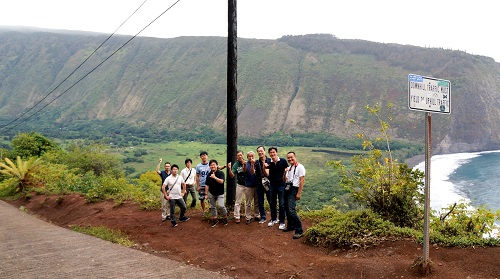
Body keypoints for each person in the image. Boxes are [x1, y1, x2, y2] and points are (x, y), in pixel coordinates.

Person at [283, 151, 305, 239]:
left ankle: (299, 230)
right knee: (287, 208)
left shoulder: (300, 167)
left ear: (295, 157)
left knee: (292, 209)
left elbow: (302, 180)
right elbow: (284, 180)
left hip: (294, 189)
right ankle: (290, 225)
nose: (290, 159)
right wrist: (285, 172)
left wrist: (299, 193)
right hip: (287, 188)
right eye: (288, 158)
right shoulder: (289, 168)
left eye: (291, 157)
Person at [266, 146, 288, 230]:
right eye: (271, 152)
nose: (272, 154)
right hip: (272, 185)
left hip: (281, 185)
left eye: (273, 152)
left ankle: (282, 221)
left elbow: (286, 173)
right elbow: (267, 174)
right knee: (272, 203)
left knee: (282, 204)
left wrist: (285, 174)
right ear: (269, 154)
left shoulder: (283, 161)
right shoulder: (269, 162)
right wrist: (265, 167)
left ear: (276, 152)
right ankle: (273, 219)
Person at [205, 159, 228, 227]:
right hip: (211, 193)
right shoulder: (208, 175)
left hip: (220, 193)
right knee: (213, 207)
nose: (212, 166)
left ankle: (225, 217)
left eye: (214, 165)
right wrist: (206, 194)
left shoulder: (220, 173)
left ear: (217, 166)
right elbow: (207, 185)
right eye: (211, 165)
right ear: (209, 166)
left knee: (221, 206)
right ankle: (215, 219)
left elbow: (221, 181)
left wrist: (214, 177)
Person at [228, 150, 246, 224]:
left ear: (243, 155)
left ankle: (247, 215)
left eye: (241, 155)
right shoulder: (236, 165)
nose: (240, 156)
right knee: (238, 201)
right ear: (236, 157)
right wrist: (229, 168)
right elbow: (232, 175)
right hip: (240, 185)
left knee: (248, 201)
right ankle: (237, 216)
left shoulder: (247, 162)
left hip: (248, 184)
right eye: (238, 155)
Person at [254, 145, 271, 224]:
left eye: (261, 151)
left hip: (268, 184)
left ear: (264, 151)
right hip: (259, 185)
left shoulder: (270, 161)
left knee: (270, 200)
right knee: (260, 202)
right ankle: (263, 217)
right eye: (259, 151)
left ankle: (273, 217)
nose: (260, 152)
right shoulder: (256, 162)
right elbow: (253, 172)